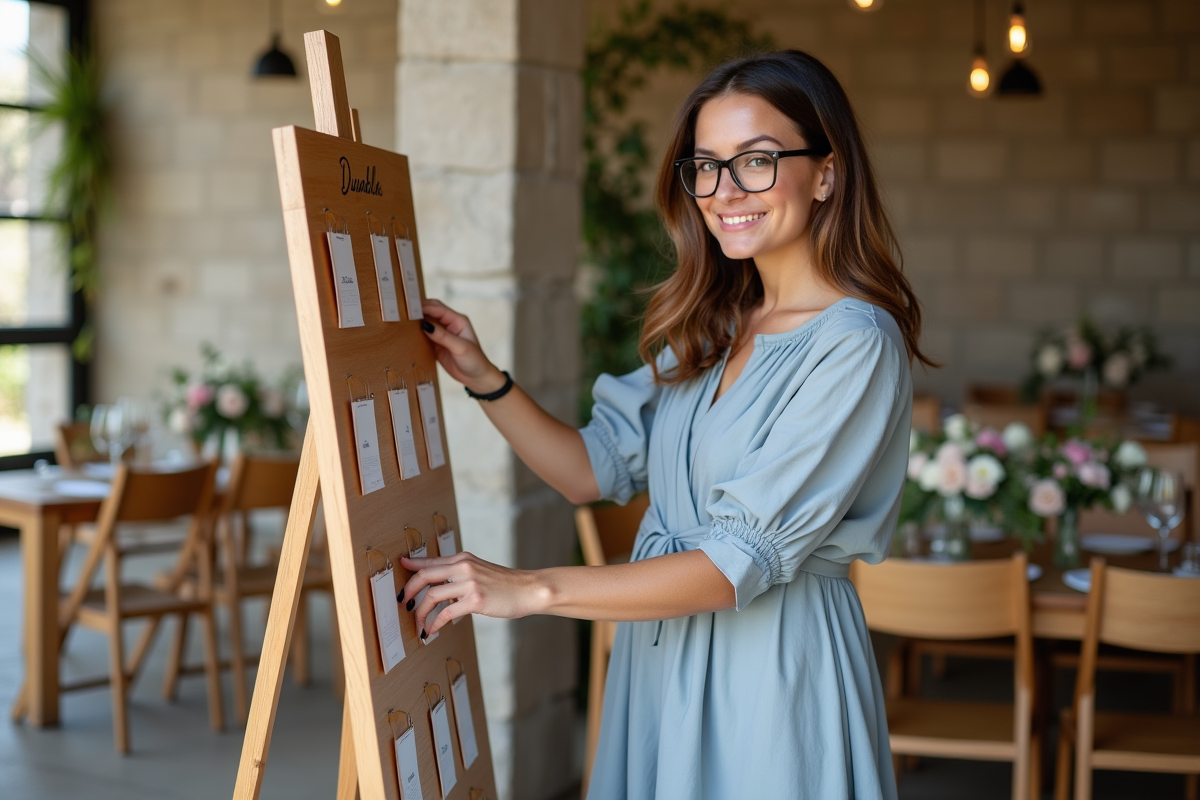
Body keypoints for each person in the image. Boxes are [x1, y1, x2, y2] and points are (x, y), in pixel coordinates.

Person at [401, 49, 932, 799]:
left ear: (826, 172)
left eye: (756, 161)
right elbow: (590, 469)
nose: (723, 191)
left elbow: (733, 562)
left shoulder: (855, 343)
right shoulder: (713, 325)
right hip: (662, 654)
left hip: (774, 669)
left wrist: (531, 591)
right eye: (706, 166)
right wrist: (485, 379)